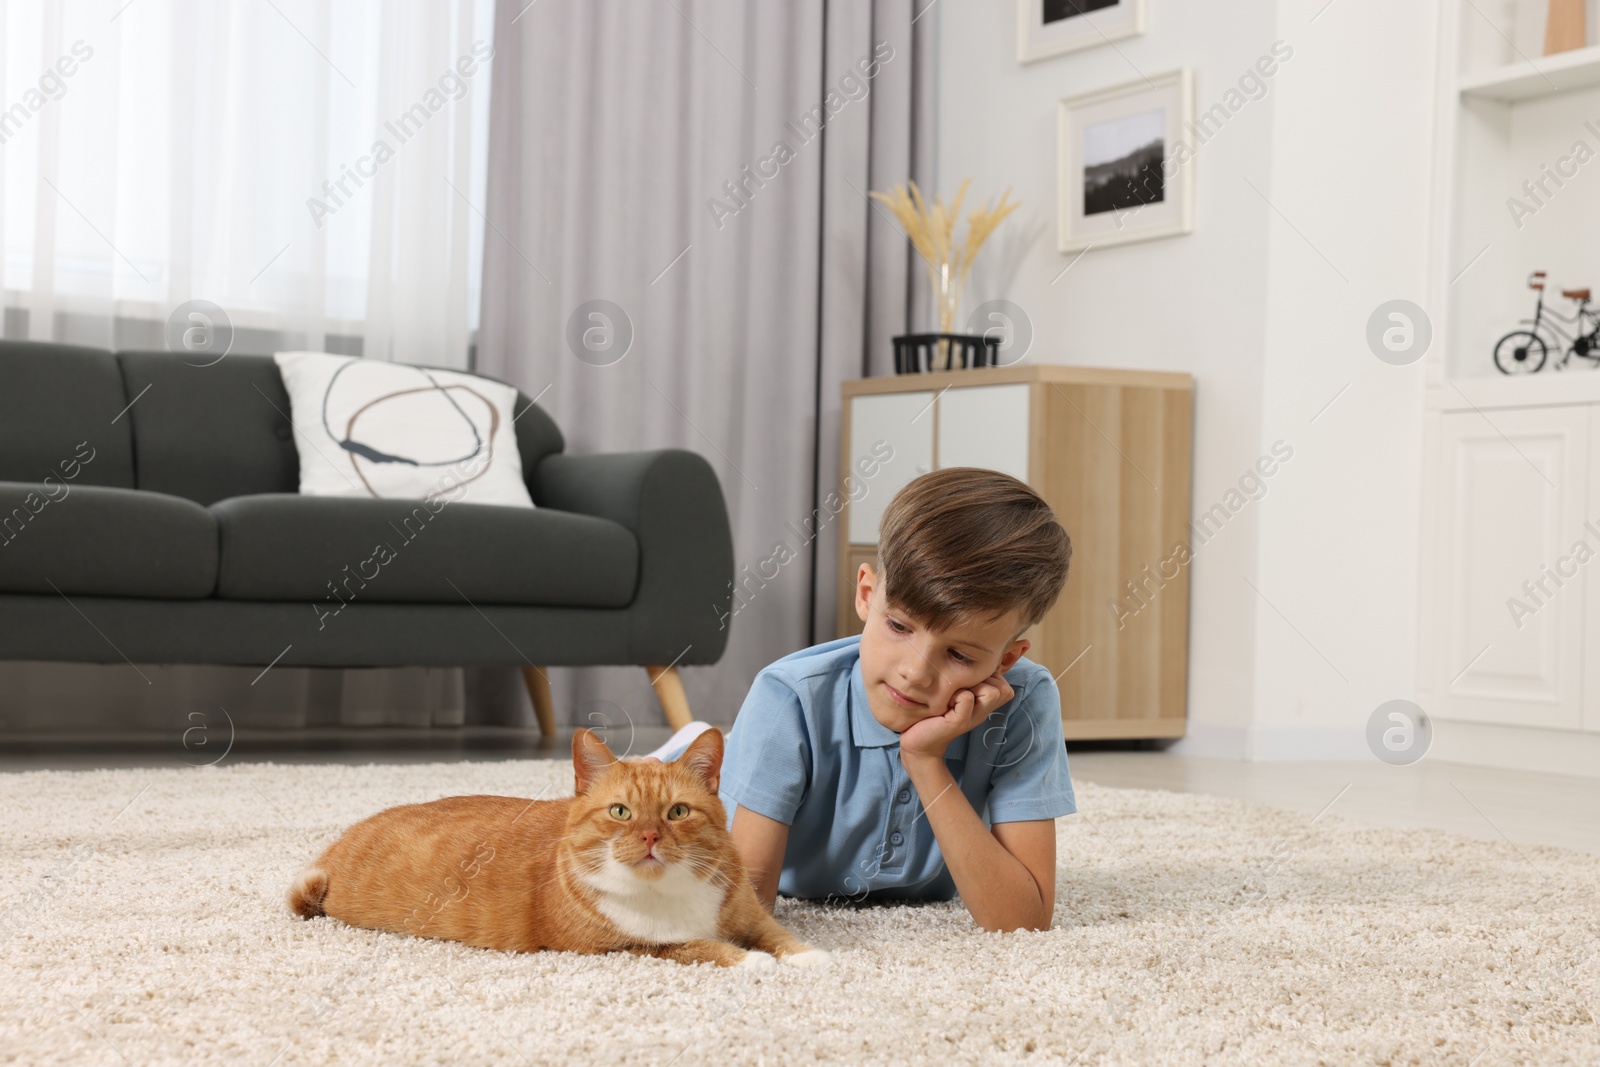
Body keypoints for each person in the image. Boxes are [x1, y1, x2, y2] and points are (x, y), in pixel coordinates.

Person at [645, 466, 1075, 933]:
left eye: (958, 655)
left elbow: (1024, 921)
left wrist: (925, 761)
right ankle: (686, 753)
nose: (914, 671)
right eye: (899, 627)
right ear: (867, 594)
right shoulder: (787, 697)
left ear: (1006, 661)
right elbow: (744, 918)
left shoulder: (1025, 700)